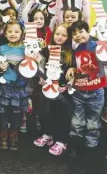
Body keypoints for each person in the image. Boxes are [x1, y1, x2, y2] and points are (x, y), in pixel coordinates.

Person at [66, 20, 107, 157]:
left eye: (81, 31)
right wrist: (71, 68)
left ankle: (91, 147)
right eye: (74, 33)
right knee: (77, 121)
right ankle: (75, 145)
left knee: (93, 123)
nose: (77, 35)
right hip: (79, 92)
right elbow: (77, 66)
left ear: (88, 31)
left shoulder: (99, 45)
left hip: (96, 92)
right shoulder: (77, 49)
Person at [33, 23, 74, 156]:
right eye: (58, 34)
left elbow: (73, 74)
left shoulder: (70, 53)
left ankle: (62, 141)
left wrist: (67, 86)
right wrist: (40, 77)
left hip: (62, 90)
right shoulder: (45, 50)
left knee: (61, 115)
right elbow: (39, 70)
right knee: (45, 112)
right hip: (47, 88)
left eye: (64, 35)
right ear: (53, 34)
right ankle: (47, 134)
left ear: (68, 37)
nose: (60, 37)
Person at [0, 21, 33, 151]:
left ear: (22, 33)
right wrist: (0, 68)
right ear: (5, 33)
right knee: (3, 113)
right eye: (9, 31)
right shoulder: (2, 48)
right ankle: (3, 137)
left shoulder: (26, 49)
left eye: (16, 31)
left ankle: (14, 138)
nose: (13, 34)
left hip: (20, 86)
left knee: (17, 114)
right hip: (5, 86)